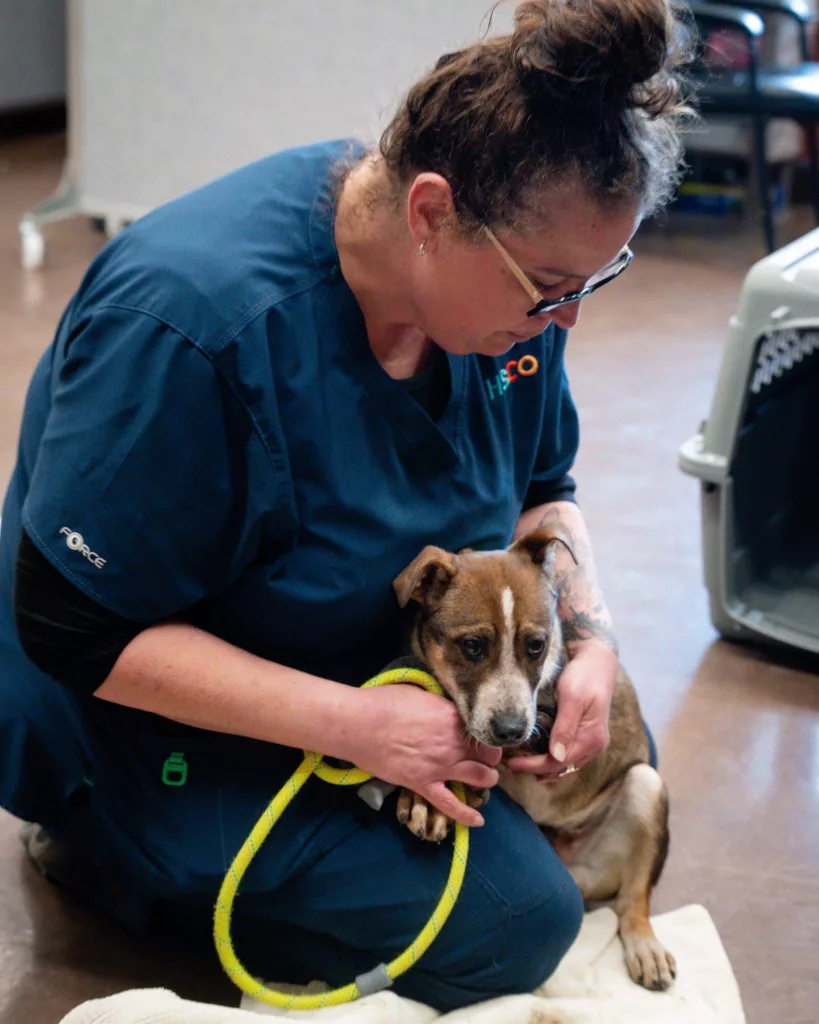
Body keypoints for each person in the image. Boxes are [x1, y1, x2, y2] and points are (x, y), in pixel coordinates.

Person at [0, 0, 691, 1012]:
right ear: (428, 214)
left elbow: (547, 487)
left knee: (613, 762)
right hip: (150, 725)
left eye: (592, 282)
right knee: (522, 921)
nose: (568, 318)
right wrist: (355, 726)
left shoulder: (509, 313)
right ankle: (112, 857)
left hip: (372, 678)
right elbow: (71, 624)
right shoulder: (193, 327)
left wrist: (587, 644)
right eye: (549, 287)